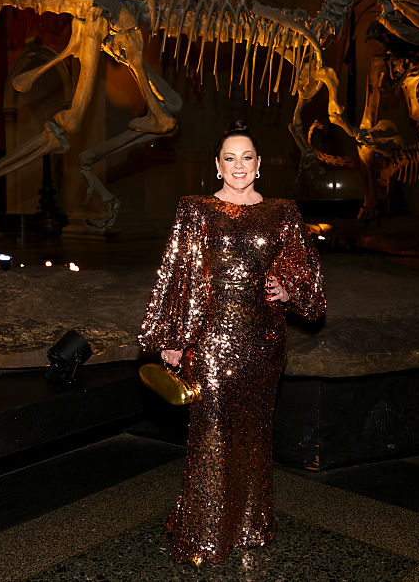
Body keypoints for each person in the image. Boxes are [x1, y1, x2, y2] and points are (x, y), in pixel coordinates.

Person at [139, 121, 326, 565]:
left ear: (259, 165)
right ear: (217, 164)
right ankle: (203, 535)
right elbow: (178, 273)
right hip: (211, 339)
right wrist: (174, 338)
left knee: (253, 434)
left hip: (263, 341)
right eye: (230, 158)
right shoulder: (196, 208)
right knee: (212, 432)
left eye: (247, 158)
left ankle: (247, 525)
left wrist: (289, 291)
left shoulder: (283, 211)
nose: (238, 166)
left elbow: (308, 276)